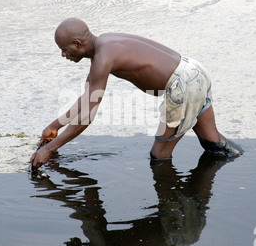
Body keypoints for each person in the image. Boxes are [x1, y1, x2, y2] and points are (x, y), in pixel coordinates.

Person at [30, 17, 242, 169]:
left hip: (181, 86)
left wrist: (49, 150)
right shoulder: (106, 41)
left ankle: (172, 224)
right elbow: (87, 99)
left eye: (65, 49)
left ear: (77, 44)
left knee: (159, 157)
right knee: (213, 143)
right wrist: (54, 126)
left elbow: (86, 116)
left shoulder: (103, 59)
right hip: (193, 70)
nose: (62, 54)